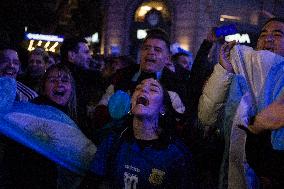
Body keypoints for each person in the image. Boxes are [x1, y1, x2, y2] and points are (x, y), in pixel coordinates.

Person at [198, 17, 284, 189]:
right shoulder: (238, 71)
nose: (267, 39)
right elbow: (206, 117)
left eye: (277, 34)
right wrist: (224, 71)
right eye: (263, 34)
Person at [81, 78, 195, 188]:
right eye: (138, 88)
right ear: (131, 103)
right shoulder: (113, 141)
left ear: (163, 109)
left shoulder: (176, 154)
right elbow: (90, 182)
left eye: (153, 89)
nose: (143, 90)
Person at [60, 37, 104, 139]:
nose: (90, 57)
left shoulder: (87, 77)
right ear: (71, 55)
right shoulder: (63, 79)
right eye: (86, 52)